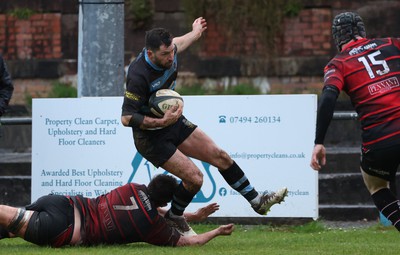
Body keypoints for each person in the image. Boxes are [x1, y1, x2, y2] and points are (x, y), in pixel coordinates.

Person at [121, 17, 288, 235]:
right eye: (165, 54)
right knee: (195, 178)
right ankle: (175, 217)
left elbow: (183, 40)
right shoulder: (138, 74)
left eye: (172, 51)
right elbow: (126, 117)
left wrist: (196, 31)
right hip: (150, 137)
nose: (171, 57)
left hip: (173, 123)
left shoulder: (172, 49)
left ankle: (258, 201)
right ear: (150, 53)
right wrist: (161, 122)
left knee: (221, 157)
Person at [310, 11, 400, 231]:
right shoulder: (392, 44)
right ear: (362, 31)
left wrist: (319, 141)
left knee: (376, 184)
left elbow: (329, 97)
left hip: (380, 138)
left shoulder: (338, 64)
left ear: (337, 38)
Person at [0, 174, 234, 247]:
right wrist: (216, 232)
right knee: (13, 222)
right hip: (65, 229)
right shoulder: (151, 226)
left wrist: (192, 216)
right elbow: (188, 242)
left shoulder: (133, 187)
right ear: (165, 201)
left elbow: (150, 208)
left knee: (8, 227)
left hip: (60, 202)